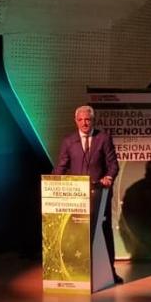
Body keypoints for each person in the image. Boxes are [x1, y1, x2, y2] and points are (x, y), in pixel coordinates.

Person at [52, 105, 122, 284]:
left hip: (100, 194)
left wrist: (109, 177)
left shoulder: (103, 138)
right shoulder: (69, 141)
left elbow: (113, 165)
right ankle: (79, 273)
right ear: (76, 121)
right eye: (81, 120)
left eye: (88, 119)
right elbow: (62, 166)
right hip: (77, 196)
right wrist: (53, 182)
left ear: (93, 120)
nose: (84, 123)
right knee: (77, 233)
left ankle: (110, 272)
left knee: (103, 231)